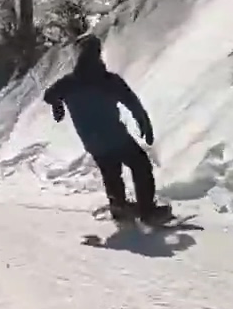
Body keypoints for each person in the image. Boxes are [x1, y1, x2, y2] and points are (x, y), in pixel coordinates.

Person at [43, 34, 171, 221]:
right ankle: (147, 210)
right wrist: (144, 123)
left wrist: (57, 104)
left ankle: (118, 205)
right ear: (98, 53)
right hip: (115, 136)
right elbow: (132, 102)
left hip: (92, 141)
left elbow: (49, 95)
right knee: (140, 165)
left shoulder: (68, 83)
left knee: (111, 171)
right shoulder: (108, 80)